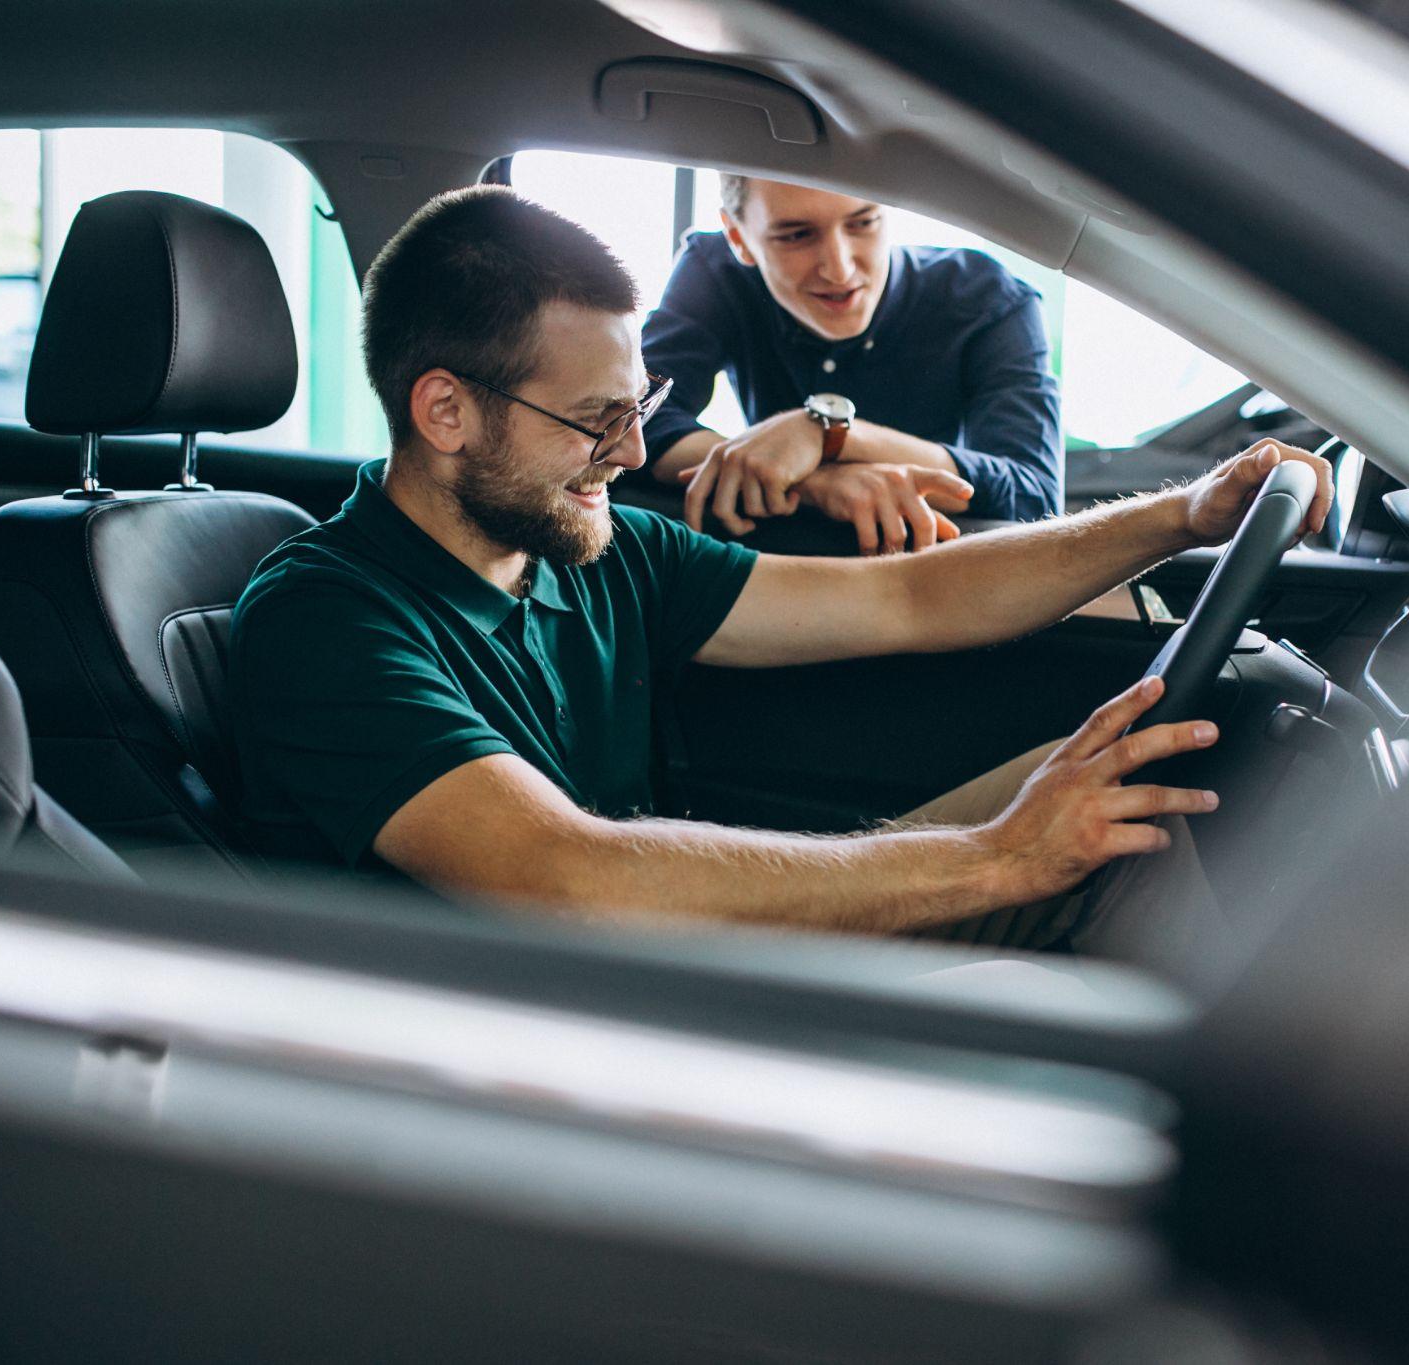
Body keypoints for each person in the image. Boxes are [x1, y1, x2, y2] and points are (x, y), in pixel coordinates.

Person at [231, 187, 1330, 956]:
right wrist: (995, 859)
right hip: (559, 1031)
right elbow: (563, 879)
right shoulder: (326, 618)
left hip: (682, 956)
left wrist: (1183, 515)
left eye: (640, 411)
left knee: (1116, 791)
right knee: (1065, 854)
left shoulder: (597, 553)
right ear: (444, 410)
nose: (628, 454)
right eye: (592, 421)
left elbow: (915, 593)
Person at [640, 175, 1063, 555]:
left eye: (863, 223)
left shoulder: (989, 297)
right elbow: (630, 425)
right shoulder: (714, 270)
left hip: (937, 574)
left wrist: (828, 435)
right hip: (775, 568)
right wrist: (812, 483)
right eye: (796, 235)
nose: (839, 269)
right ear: (738, 237)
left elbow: (1035, 499)